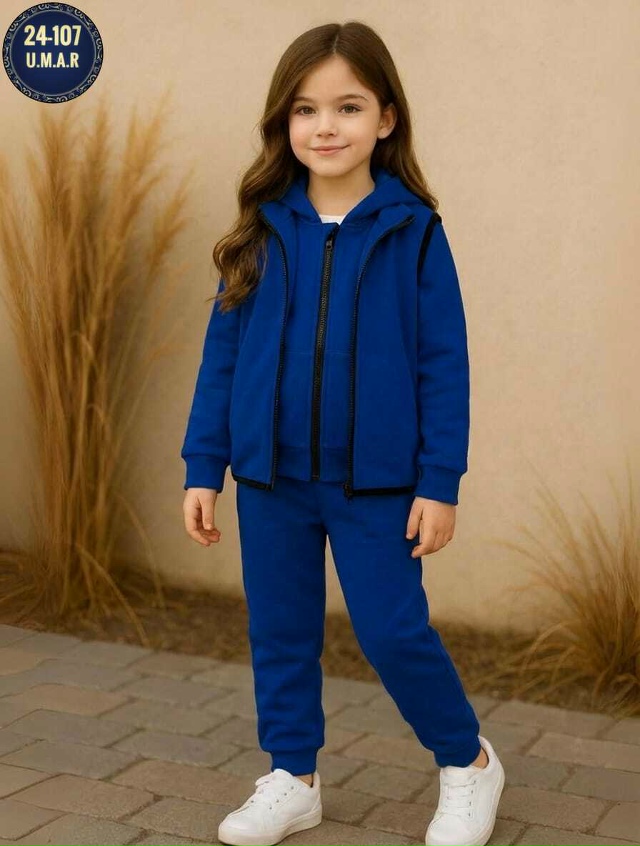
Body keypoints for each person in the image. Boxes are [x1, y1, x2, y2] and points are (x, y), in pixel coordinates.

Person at [181, 20, 505, 846]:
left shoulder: (414, 230)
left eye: (348, 107)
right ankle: (292, 777)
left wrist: (439, 481)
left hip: (377, 483)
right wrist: (203, 464)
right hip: (270, 478)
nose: (325, 127)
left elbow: (444, 363)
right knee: (279, 631)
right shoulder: (262, 226)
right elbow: (224, 357)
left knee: (393, 631)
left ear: (386, 118)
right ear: (284, 122)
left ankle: (468, 763)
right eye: (305, 109)